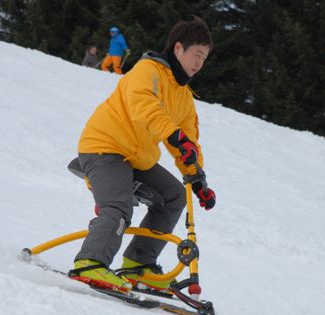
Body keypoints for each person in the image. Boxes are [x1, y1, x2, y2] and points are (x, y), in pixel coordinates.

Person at [70, 16, 216, 292]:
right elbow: (144, 107)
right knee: (118, 205)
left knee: (173, 196)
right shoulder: (146, 70)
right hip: (105, 148)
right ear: (177, 48)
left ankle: (138, 263)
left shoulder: (183, 95)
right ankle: (90, 263)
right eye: (197, 55)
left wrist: (197, 178)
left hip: (136, 158)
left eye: (204, 59)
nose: (199, 64)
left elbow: (187, 142)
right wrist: (174, 135)